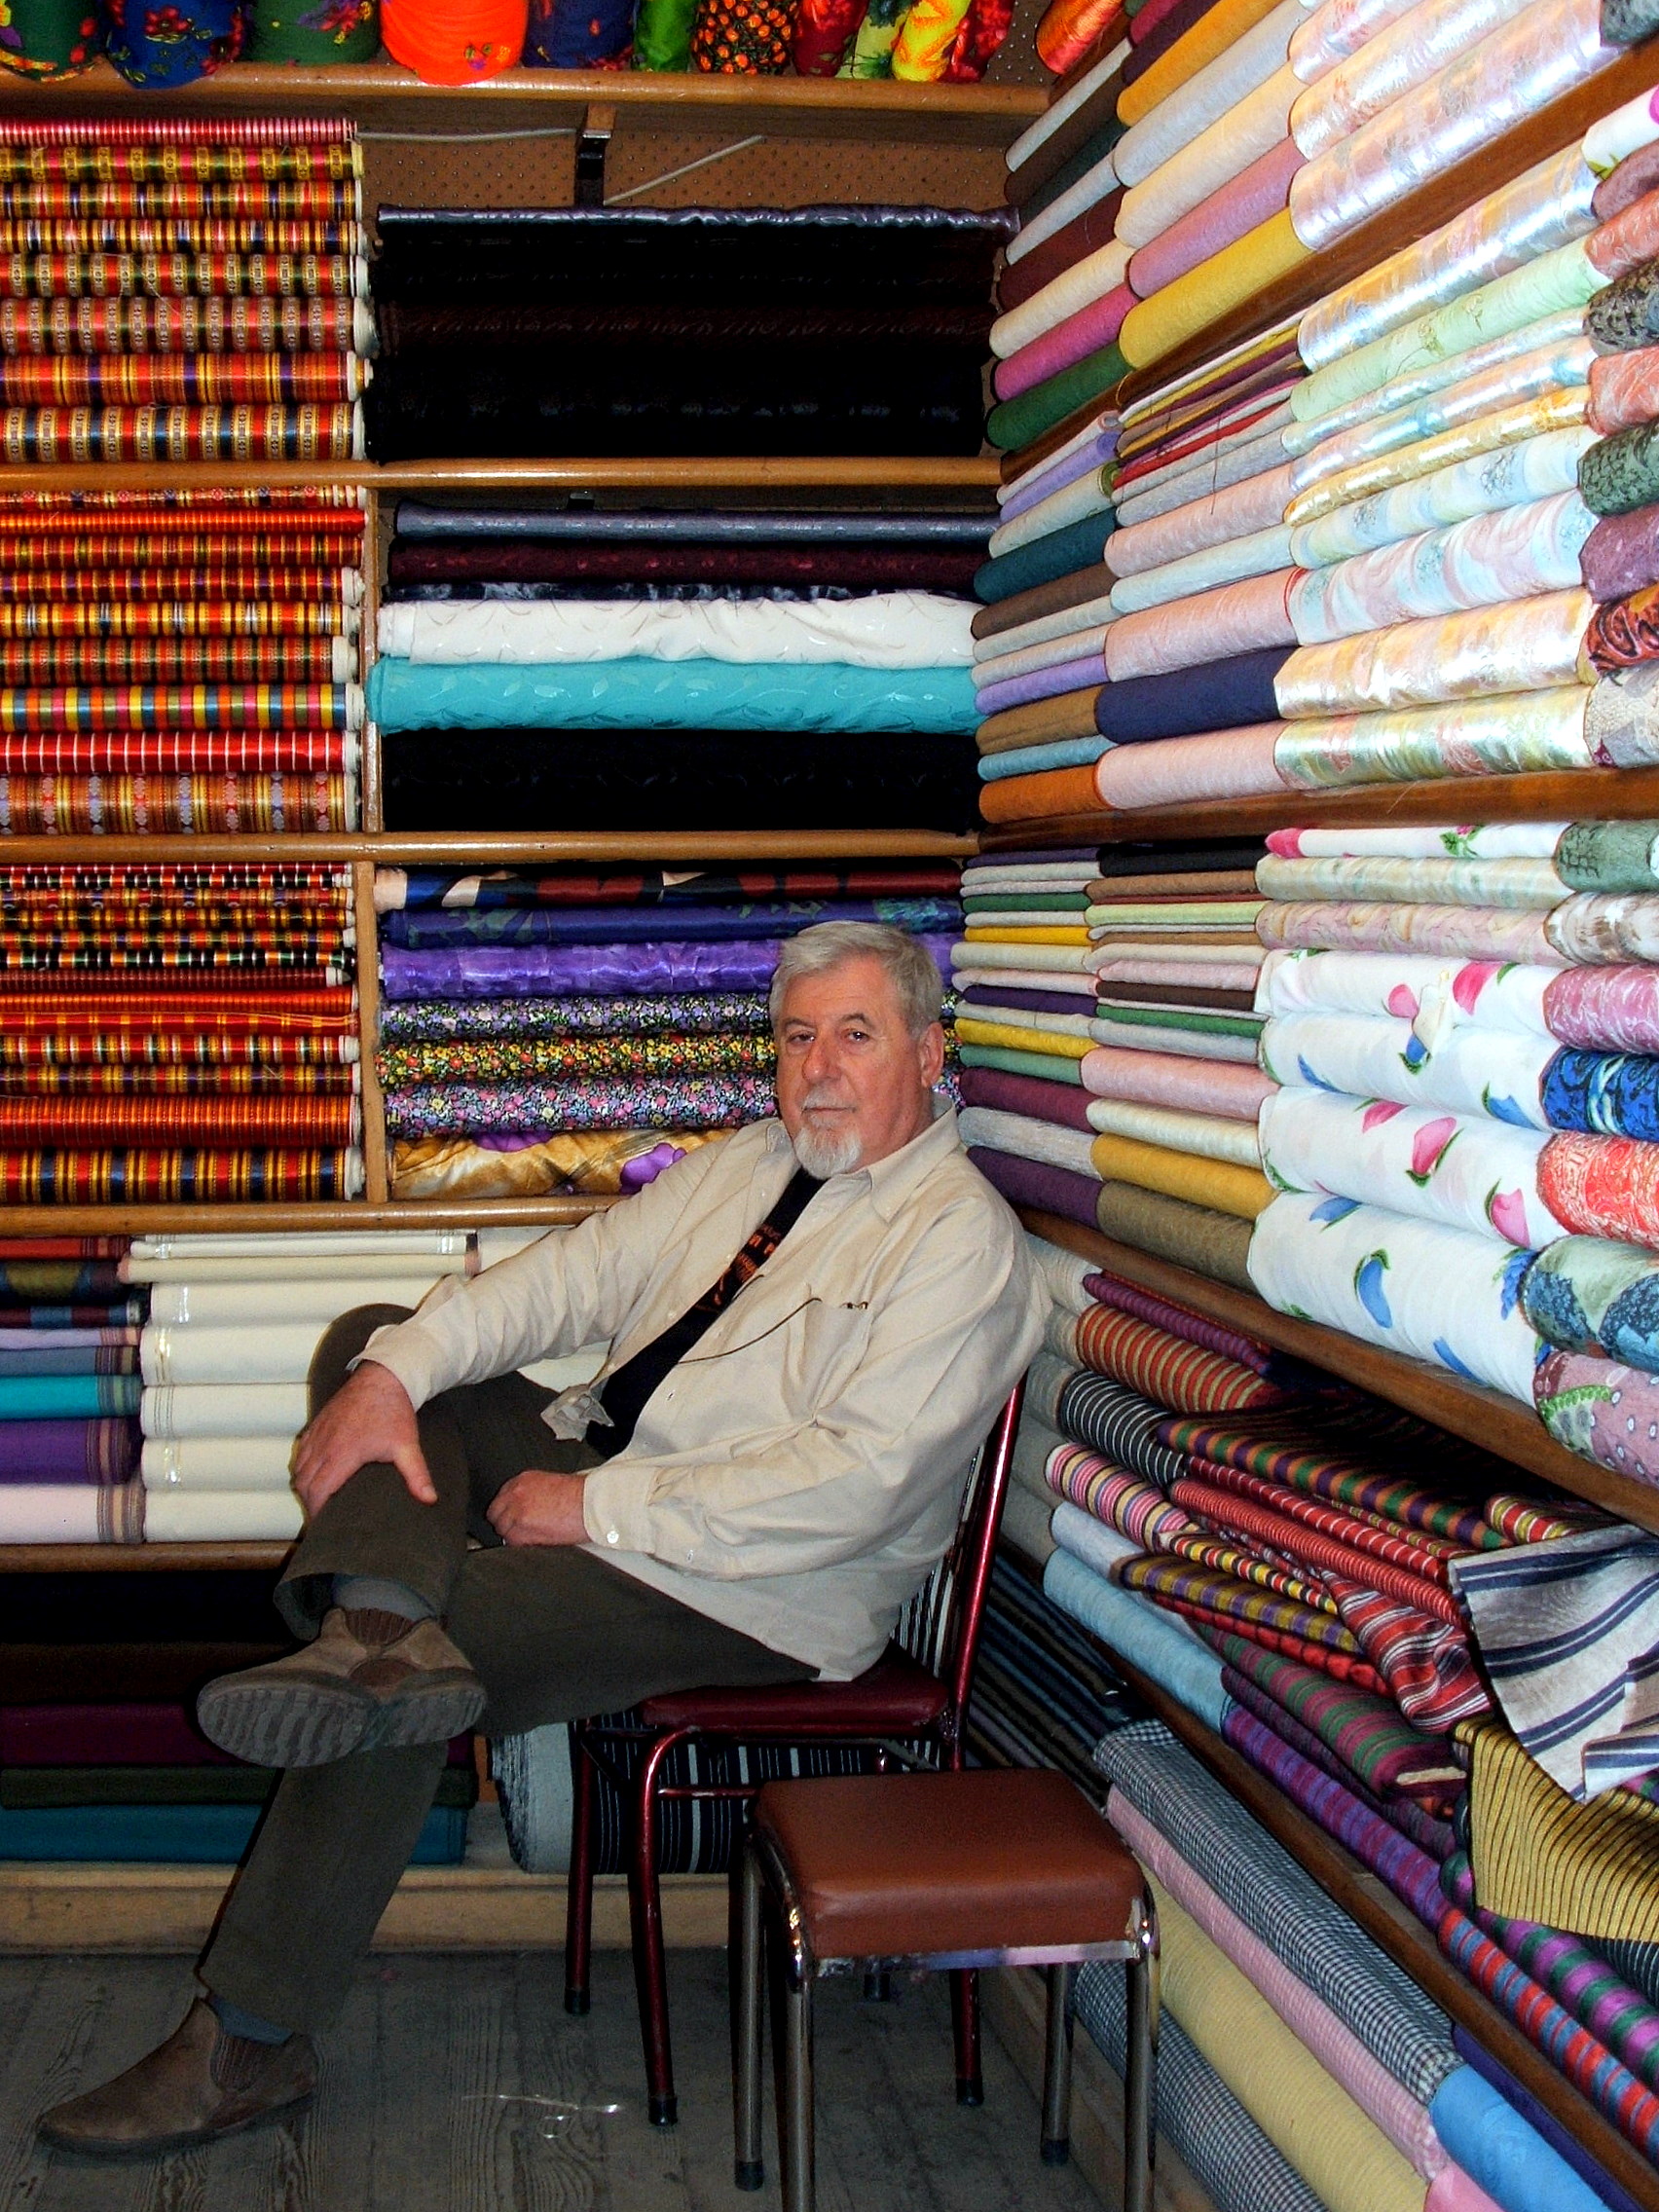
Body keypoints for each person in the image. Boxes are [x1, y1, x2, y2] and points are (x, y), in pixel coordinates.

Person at [37, 920, 1045, 2158]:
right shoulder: (753, 1162)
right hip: (619, 1474)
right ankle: (376, 1630)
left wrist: (592, 1509)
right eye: (797, 1037)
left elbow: (851, 1488)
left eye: (855, 1035)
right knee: (378, 1347)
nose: (818, 1068)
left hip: (758, 1585)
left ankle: (248, 2038)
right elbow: (572, 1278)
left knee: (428, 1659)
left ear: (930, 1052)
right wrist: (394, 1373)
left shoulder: (961, 1242)